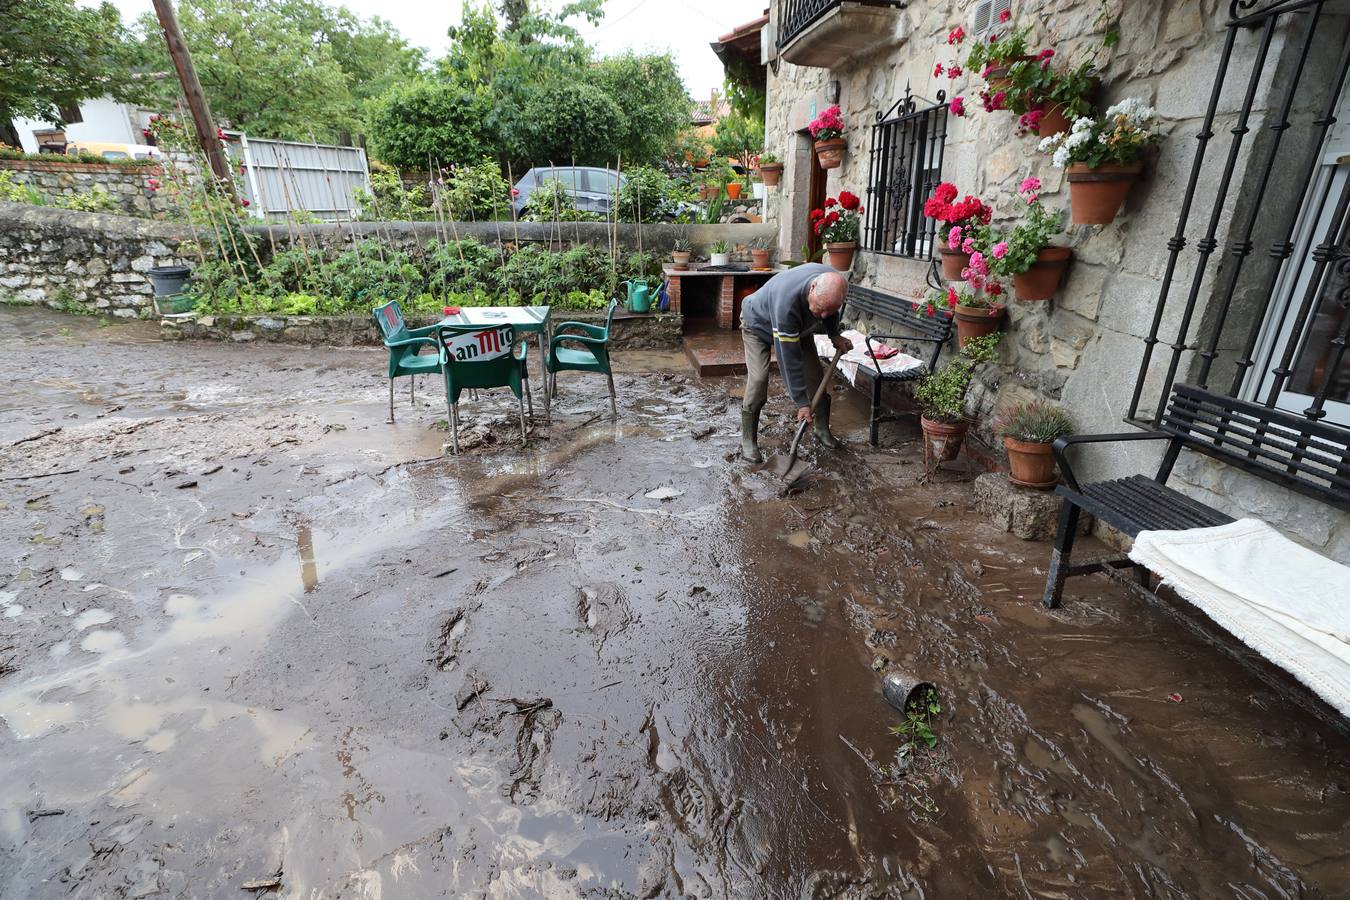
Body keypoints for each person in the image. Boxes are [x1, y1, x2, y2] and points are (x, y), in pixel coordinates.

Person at [738, 263, 851, 463]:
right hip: (757, 324)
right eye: (820, 309)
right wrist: (801, 403)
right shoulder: (786, 303)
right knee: (758, 380)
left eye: (827, 311)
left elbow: (830, 311)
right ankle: (748, 441)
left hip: (799, 329)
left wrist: (834, 334)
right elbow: (788, 359)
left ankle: (822, 430)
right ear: (812, 288)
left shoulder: (833, 283)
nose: (823, 315)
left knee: (816, 378)